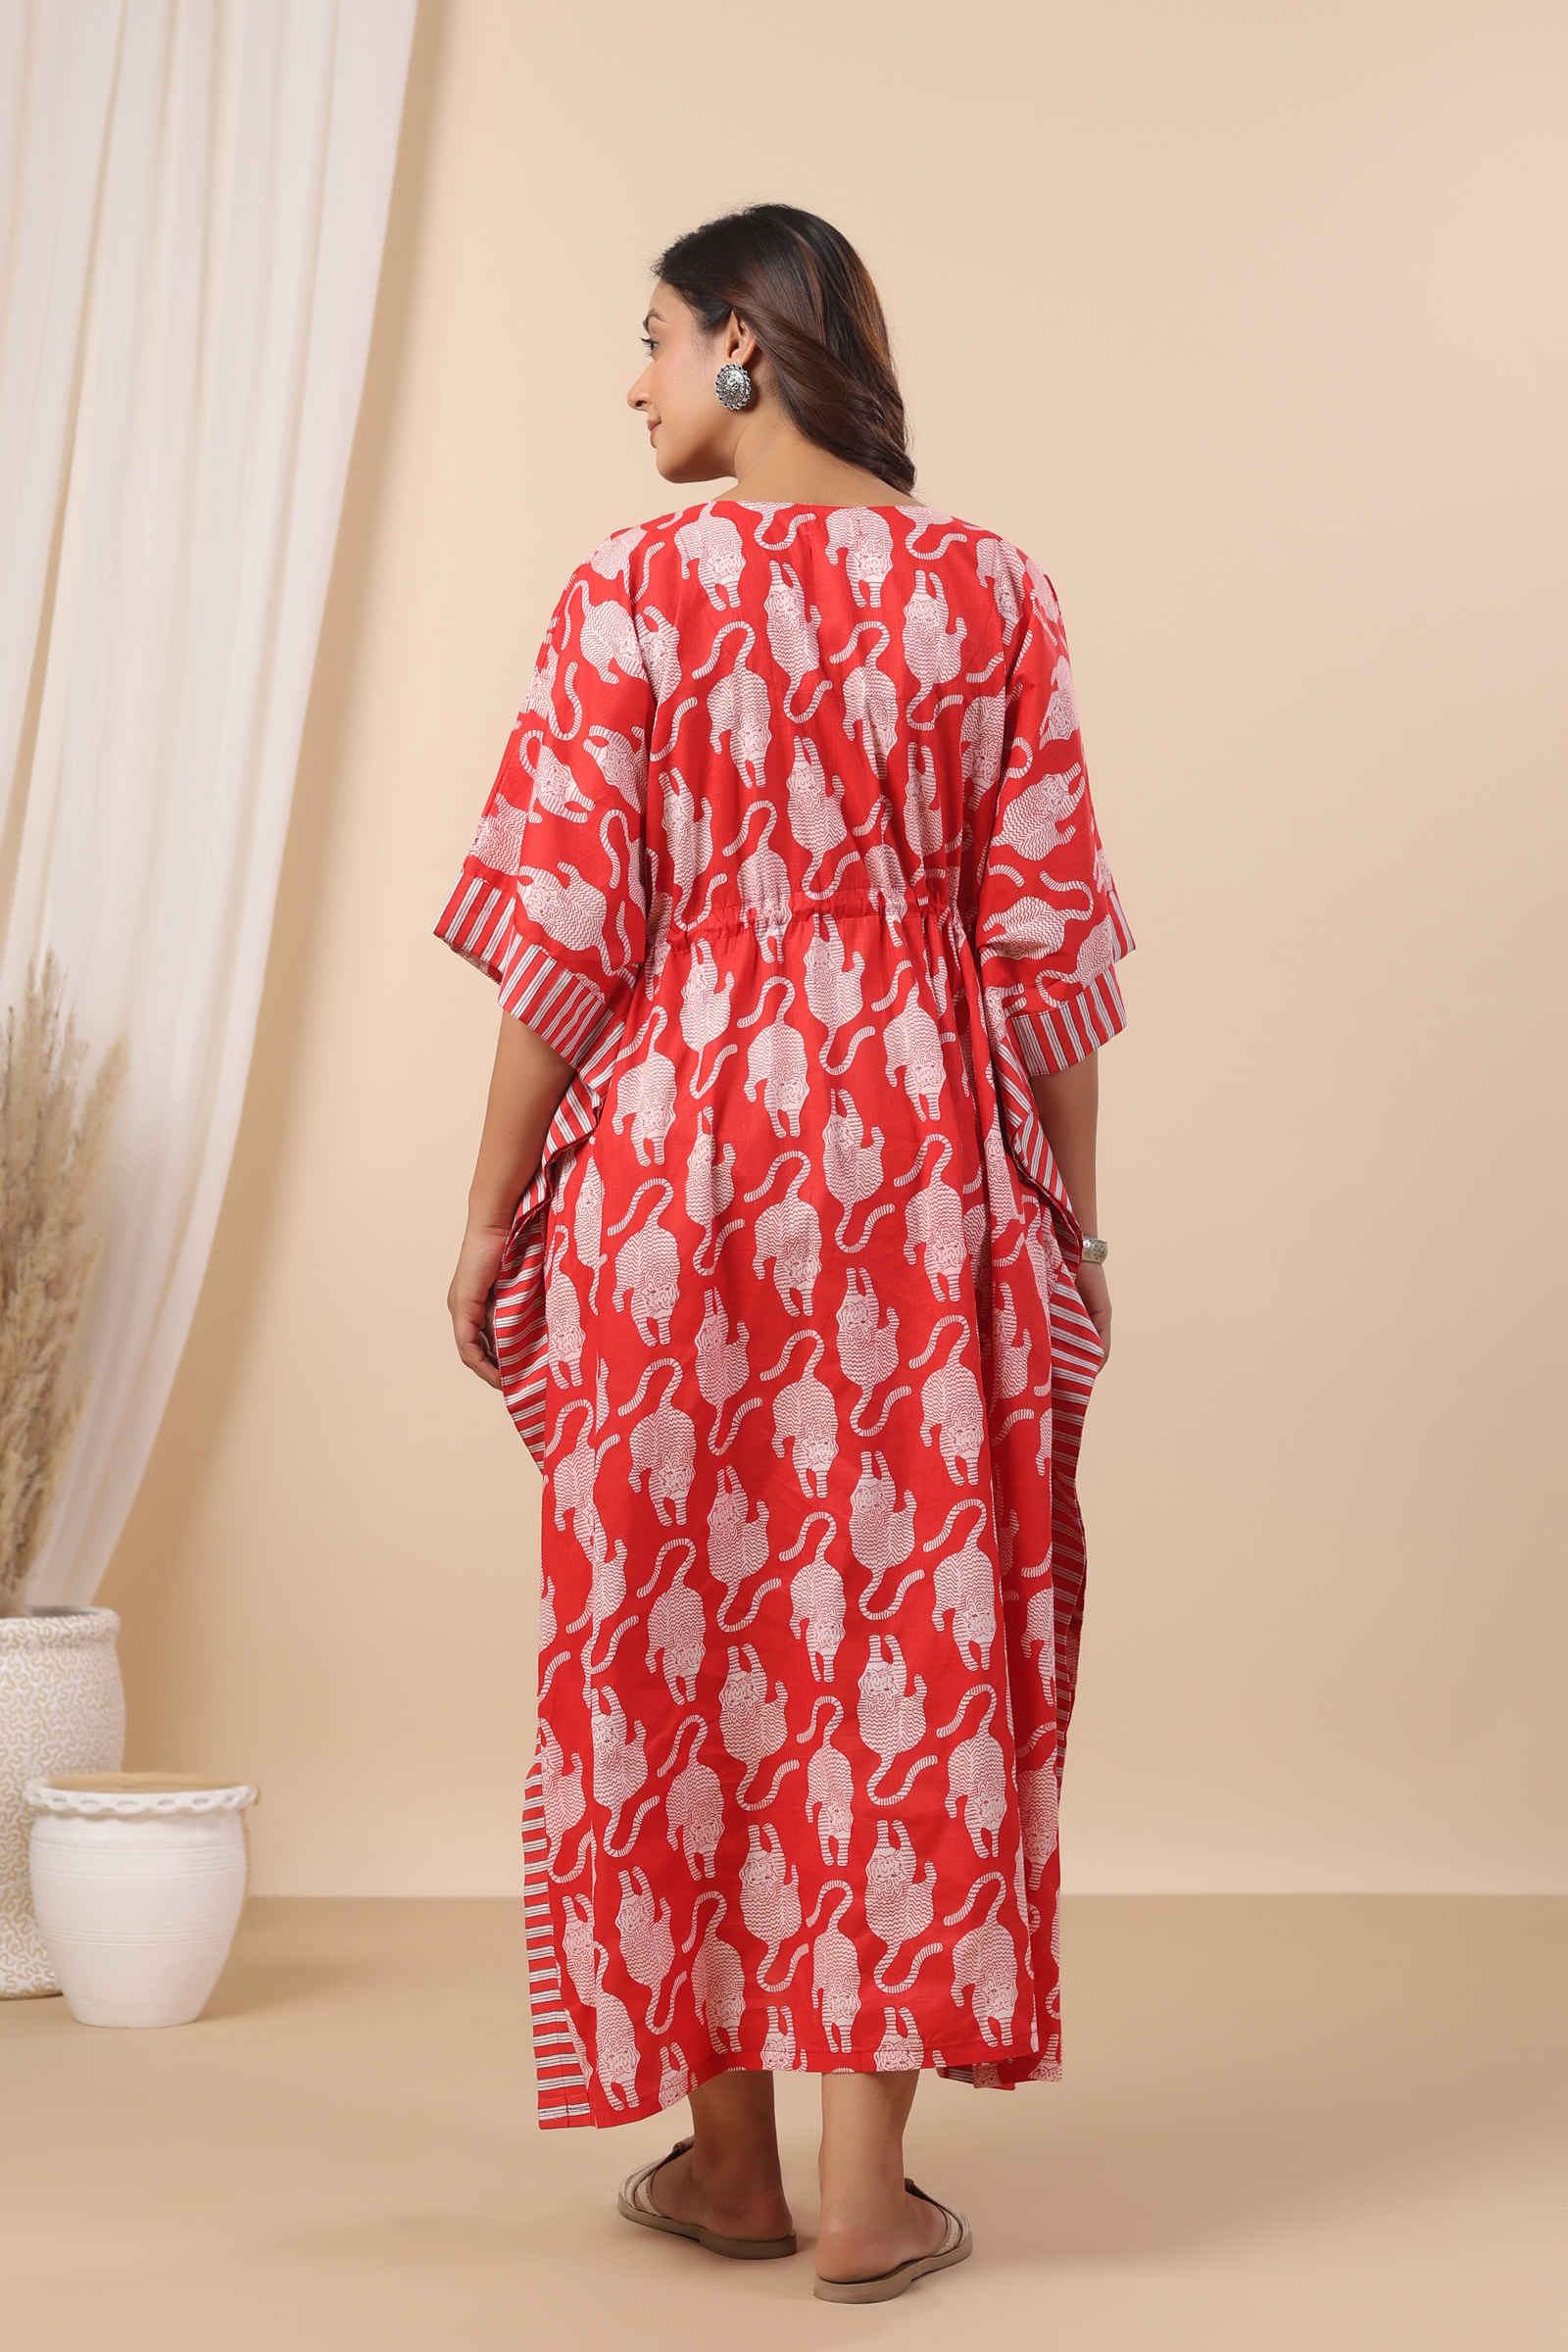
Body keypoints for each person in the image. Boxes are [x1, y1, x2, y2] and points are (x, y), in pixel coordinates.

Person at [434, 202, 1136, 2304]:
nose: (635, 379)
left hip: (676, 1170)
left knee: (680, 1628)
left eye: (653, 338)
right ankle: (860, 2194)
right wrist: (1073, 1223)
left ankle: (727, 2168)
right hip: (919, 1174)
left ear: (745, 346)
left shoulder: (630, 594)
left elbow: (564, 941)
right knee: (903, 1640)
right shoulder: (989, 594)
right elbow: (1045, 962)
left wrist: (490, 1206)